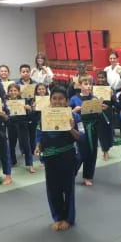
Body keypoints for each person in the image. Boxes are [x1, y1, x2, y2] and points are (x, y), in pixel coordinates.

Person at [35, 87, 83, 231]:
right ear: (50, 100)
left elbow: (82, 137)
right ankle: (58, 217)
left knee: (68, 189)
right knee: (52, 189)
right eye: (54, 98)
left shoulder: (74, 117)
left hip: (67, 156)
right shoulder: (45, 115)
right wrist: (38, 146)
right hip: (50, 157)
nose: (57, 101)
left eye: (61, 99)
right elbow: (39, 133)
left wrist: (70, 128)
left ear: (67, 101)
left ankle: (68, 219)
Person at [69, 75, 103, 186]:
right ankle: (71, 173)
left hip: (93, 128)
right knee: (82, 153)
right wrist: (74, 110)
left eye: (90, 84)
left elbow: (99, 116)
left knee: (92, 153)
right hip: (81, 128)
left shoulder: (94, 98)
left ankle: (88, 176)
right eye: (85, 84)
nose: (88, 86)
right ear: (80, 85)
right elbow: (67, 114)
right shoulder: (74, 99)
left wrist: (100, 110)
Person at [6, 83, 34, 173]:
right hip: (11, 125)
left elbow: (29, 116)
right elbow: (5, 116)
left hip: (22, 124)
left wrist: (29, 109)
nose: (13, 92)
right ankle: (13, 161)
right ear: (8, 92)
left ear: (19, 92)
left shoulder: (24, 101)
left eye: (15, 90)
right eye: (11, 91)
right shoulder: (6, 102)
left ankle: (30, 164)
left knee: (26, 145)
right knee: (11, 144)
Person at [95, 70, 115, 161]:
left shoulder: (110, 88)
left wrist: (112, 96)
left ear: (106, 78)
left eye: (102, 77)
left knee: (108, 133)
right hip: (98, 115)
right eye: (99, 77)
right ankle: (105, 151)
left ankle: (107, 148)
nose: (101, 79)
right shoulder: (94, 89)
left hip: (108, 113)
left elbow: (115, 104)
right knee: (101, 134)